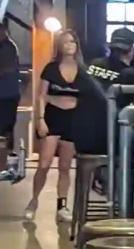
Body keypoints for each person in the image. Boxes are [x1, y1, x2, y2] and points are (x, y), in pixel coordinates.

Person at [25, 25, 106, 228]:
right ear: (59, 46)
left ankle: (62, 206)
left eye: (72, 42)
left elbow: (91, 97)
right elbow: (42, 96)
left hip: (74, 119)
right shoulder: (51, 68)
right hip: (52, 118)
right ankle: (34, 200)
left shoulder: (84, 71)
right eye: (65, 42)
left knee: (64, 167)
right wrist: (40, 119)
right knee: (44, 164)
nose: (69, 46)